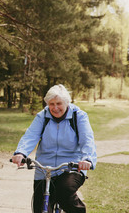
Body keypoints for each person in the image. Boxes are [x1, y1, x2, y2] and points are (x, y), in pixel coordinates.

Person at [11, 84, 96, 213]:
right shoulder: (43, 116)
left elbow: (87, 140)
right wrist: (20, 153)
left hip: (71, 167)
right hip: (44, 168)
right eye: (51, 104)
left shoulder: (78, 116)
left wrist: (87, 159)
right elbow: (30, 135)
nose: (55, 108)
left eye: (59, 103)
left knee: (64, 190)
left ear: (67, 103)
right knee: (40, 208)